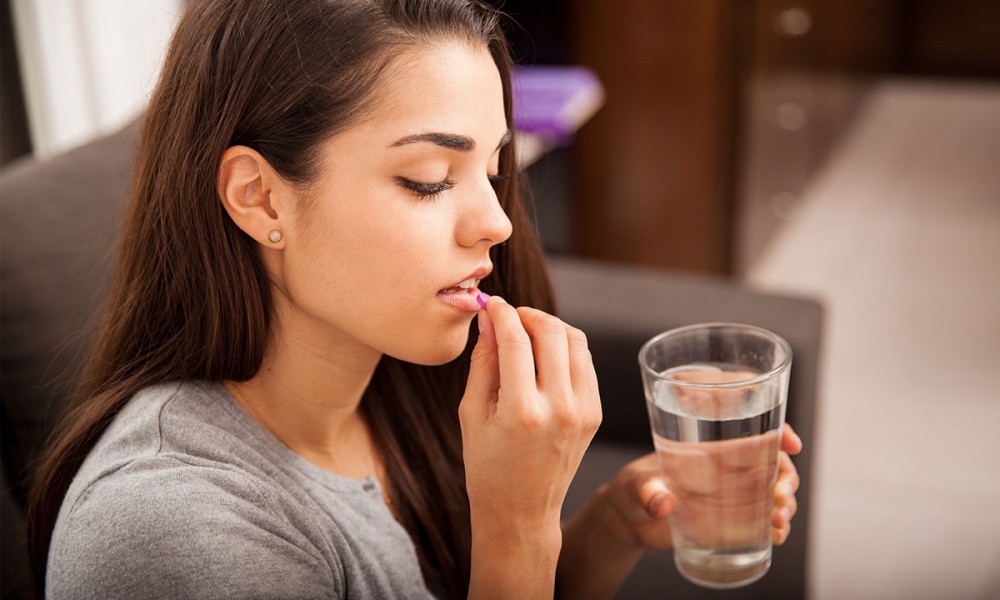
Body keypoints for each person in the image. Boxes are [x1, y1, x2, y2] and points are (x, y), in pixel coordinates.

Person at [25, 1, 803, 598]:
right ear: (260, 198)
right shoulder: (176, 536)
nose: (497, 221)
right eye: (428, 178)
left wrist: (608, 529)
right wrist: (517, 527)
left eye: (496, 168)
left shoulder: (397, 376)